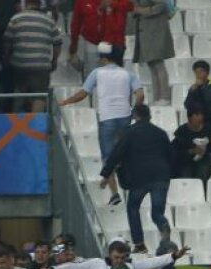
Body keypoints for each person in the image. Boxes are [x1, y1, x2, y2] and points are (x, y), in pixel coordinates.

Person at [59, 42, 145, 204]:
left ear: (104, 58)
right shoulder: (128, 74)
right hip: (125, 117)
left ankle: (114, 193)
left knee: (108, 156)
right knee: (126, 153)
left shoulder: (97, 73)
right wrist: (134, 110)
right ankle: (132, 184)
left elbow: (83, 94)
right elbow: (140, 95)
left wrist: (65, 101)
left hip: (107, 119)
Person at [101, 103, 174, 254]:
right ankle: (163, 225)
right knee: (157, 212)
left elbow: (116, 154)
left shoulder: (129, 132)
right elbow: (171, 155)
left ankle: (140, 244)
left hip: (139, 178)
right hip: (161, 176)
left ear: (135, 116)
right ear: (149, 116)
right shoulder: (160, 133)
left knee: (133, 208)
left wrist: (106, 174)